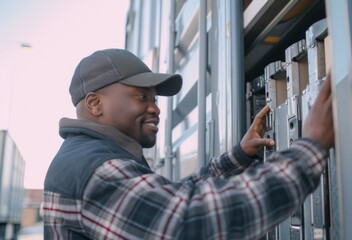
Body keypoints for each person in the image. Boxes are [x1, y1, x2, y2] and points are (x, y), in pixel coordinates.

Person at [43, 48, 334, 239]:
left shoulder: (89, 157)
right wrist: (309, 149)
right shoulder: (97, 170)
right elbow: (190, 224)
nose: (155, 108)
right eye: (141, 97)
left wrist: (238, 156)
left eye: (154, 99)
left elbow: (169, 201)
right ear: (95, 103)